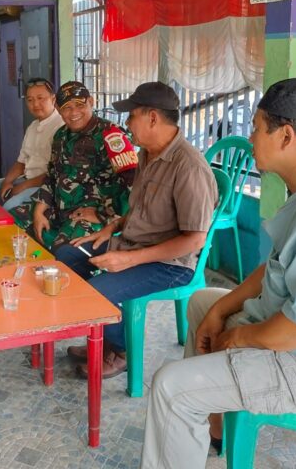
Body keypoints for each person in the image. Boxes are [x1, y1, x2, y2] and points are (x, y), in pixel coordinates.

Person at [139, 78, 296, 469]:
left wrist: (239, 337)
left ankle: (193, 406)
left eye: (257, 128)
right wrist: (220, 310)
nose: (250, 138)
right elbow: (274, 269)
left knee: (170, 386)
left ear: (286, 136)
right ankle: (213, 427)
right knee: (202, 304)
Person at [55, 82, 217, 379]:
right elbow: (140, 206)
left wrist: (128, 260)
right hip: (132, 242)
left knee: (99, 290)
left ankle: (121, 350)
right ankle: (103, 334)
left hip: (169, 264)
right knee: (67, 256)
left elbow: (195, 239)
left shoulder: (189, 167)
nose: (127, 124)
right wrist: (112, 227)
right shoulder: (147, 154)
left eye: (132, 116)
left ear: (152, 118)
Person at [11, 81, 138, 250]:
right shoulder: (61, 135)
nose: (74, 112)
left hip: (89, 214)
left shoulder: (111, 135)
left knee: (64, 251)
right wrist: (39, 210)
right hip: (58, 208)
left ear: (91, 102)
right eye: (67, 108)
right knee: (10, 224)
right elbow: (52, 175)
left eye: (79, 105)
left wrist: (102, 214)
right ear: (58, 109)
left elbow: (132, 183)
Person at [0, 77, 64, 210]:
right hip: (26, 179)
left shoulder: (61, 127)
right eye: (30, 100)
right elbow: (21, 162)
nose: (35, 104)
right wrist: (7, 182)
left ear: (53, 99)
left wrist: (22, 187)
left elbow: (55, 173)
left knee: (10, 207)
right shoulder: (32, 127)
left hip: (47, 185)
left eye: (40, 98)